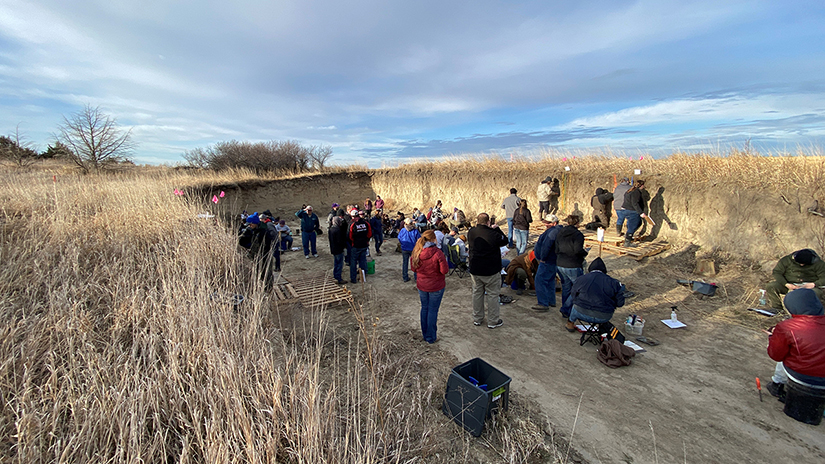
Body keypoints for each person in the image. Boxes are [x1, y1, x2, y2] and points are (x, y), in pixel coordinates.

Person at [765, 288, 825, 405]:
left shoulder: (787, 327)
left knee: (785, 352)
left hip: (802, 377)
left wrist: (773, 338)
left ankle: (777, 385)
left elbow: (776, 355)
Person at [468, 213, 509, 328]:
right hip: (491, 269)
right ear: (488, 222)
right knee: (492, 295)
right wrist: (497, 229)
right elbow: (505, 241)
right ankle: (493, 321)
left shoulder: (472, 232)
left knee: (477, 293)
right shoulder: (493, 234)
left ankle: (477, 318)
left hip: (475, 268)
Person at [564, 257, 626, 332]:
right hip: (604, 316)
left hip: (580, 313)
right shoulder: (614, 283)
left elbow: (573, 295)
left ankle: (570, 324)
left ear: (590, 269)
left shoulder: (581, 279)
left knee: (575, 305)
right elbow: (620, 303)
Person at [410, 230, 449, 343]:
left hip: (422, 285)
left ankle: (425, 334)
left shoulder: (417, 251)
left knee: (424, 308)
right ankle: (431, 337)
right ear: (433, 239)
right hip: (436, 286)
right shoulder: (438, 253)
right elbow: (444, 270)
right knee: (432, 310)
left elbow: (414, 268)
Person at [555, 215, 588, 318]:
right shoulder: (578, 235)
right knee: (577, 289)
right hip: (573, 264)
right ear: (577, 223)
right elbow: (578, 250)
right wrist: (585, 253)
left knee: (566, 288)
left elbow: (556, 248)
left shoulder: (560, 232)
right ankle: (566, 308)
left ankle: (566, 310)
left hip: (560, 263)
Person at [238, 212, 278, 287]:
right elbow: (242, 242)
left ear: (254, 223)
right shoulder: (252, 230)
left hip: (265, 254)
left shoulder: (265, 229)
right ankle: (261, 287)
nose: (249, 226)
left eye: (250, 224)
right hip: (256, 255)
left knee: (266, 273)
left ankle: (268, 289)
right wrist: (247, 233)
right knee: (258, 273)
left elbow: (271, 241)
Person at [532, 214, 561, 311]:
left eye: (548, 223)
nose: (546, 225)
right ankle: (551, 300)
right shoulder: (555, 231)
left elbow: (546, 246)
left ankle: (543, 303)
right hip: (552, 260)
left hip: (547, 260)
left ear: (554, 223)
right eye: (545, 222)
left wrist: (542, 258)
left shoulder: (552, 233)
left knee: (540, 280)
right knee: (550, 281)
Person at [621, 180, 648, 247]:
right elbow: (634, 203)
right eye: (643, 185)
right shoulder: (636, 192)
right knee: (633, 225)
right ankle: (627, 242)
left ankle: (628, 235)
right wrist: (641, 212)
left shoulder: (629, 190)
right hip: (632, 211)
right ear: (641, 185)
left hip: (626, 210)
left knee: (636, 223)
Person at [348, 210, 372, 283]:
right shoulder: (366, 223)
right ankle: (363, 278)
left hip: (355, 246)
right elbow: (370, 234)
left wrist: (352, 243)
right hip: (364, 245)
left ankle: (353, 279)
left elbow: (349, 236)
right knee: (363, 261)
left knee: (353, 263)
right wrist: (366, 240)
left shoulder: (352, 224)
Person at [328, 216, 348, 284]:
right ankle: (339, 278)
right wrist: (344, 246)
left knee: (336, 263)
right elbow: (340, 241)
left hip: (333, 249)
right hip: (339, 249)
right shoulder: (338, 230)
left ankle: (335, 276)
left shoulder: (330, 229)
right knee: (339, 264)